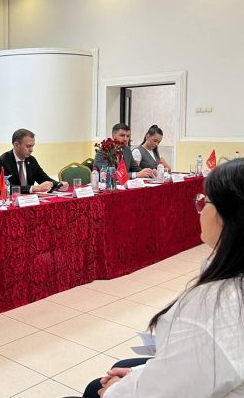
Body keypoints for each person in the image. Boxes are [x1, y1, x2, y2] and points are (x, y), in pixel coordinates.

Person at [81, 158, 244, 397]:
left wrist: (114, 391)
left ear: (229, 216)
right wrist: (141, 374)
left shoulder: (215, 305)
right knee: (120, 370)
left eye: (205, 201)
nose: (200, 209)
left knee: (96, 389)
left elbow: (174, 387)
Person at [0, 128, 69, 194]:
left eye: (32, 146)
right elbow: (6, 187)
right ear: (16, 145)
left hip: (30, 201)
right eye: (28, 146)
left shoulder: (31, 160)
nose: (31, 150)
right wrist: (34, 188)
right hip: (11, 201)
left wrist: (58, 184)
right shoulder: (1, 162)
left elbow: (43, 178)